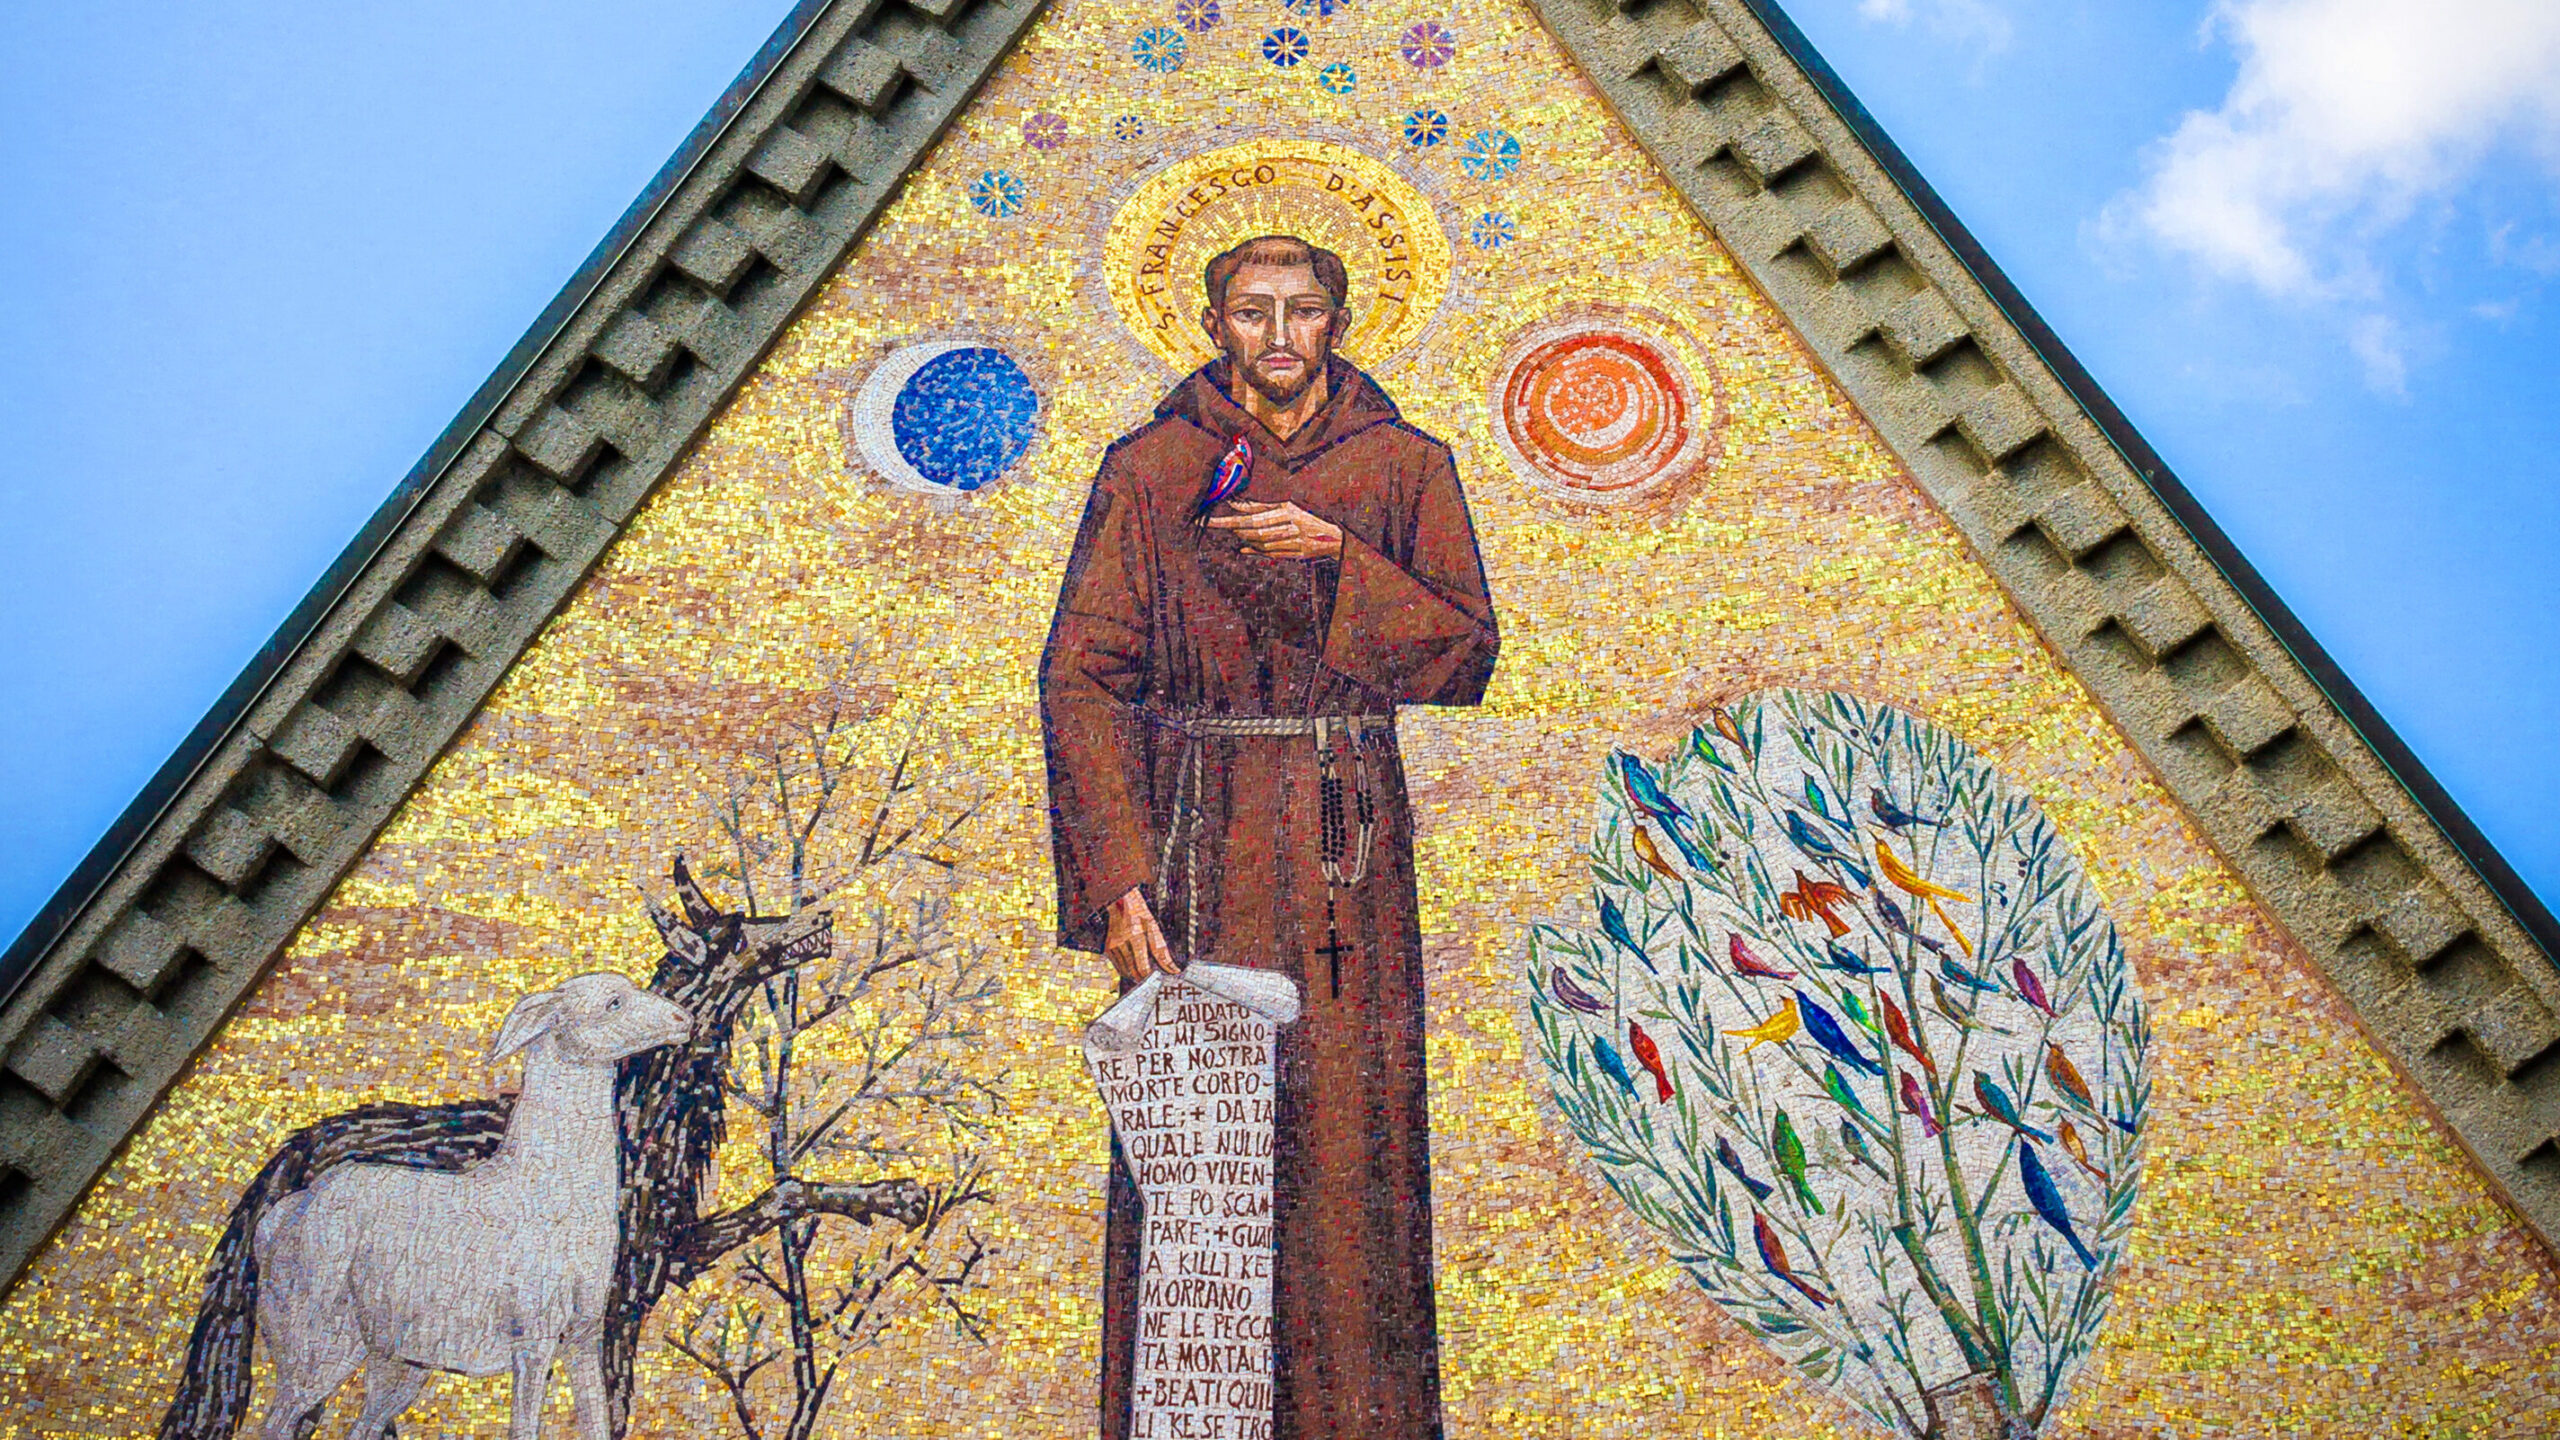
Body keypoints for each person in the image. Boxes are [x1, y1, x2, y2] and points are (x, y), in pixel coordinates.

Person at [1040, 234, 1499, 1440]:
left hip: (1346, 835)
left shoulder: (1405, 466)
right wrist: (1118, 885)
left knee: (1351, 1143)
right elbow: (1083, 675)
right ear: (1214, 323)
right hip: (1198, 834)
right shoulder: (1151, 469)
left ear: (1340, 322)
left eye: (1303, 313)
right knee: (1203, 1140)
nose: (1280, 338)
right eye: (1254, 314)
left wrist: (1339, 556)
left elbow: (1465, 654)